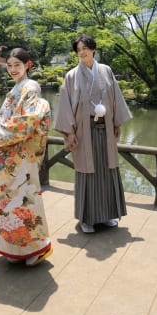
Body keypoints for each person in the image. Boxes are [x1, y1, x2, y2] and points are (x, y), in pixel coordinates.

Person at [54, 34, 132, 234]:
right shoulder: (71, 76)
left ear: (93, 50)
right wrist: (68, 132)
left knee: (107, 171)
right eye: (79, 49)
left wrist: (116, 123)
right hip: (83, 132)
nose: (82, 52)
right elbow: (65, 105)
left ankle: (106, 216)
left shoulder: (106, 70)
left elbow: (115, 97)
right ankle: (86, 219)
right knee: (87, 173)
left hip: (104, 129)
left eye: (85, 48)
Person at [0, 48, 53, 267]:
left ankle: (35, 249)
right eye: (9, 65)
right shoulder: (17, 88)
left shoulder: (29, 87)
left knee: (24, 199)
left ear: (27, 65)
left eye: (17, 65)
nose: (13, 69)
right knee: (10, 202)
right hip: (10, 154)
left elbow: (29, 121)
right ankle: (14, 248)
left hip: (20, 157)